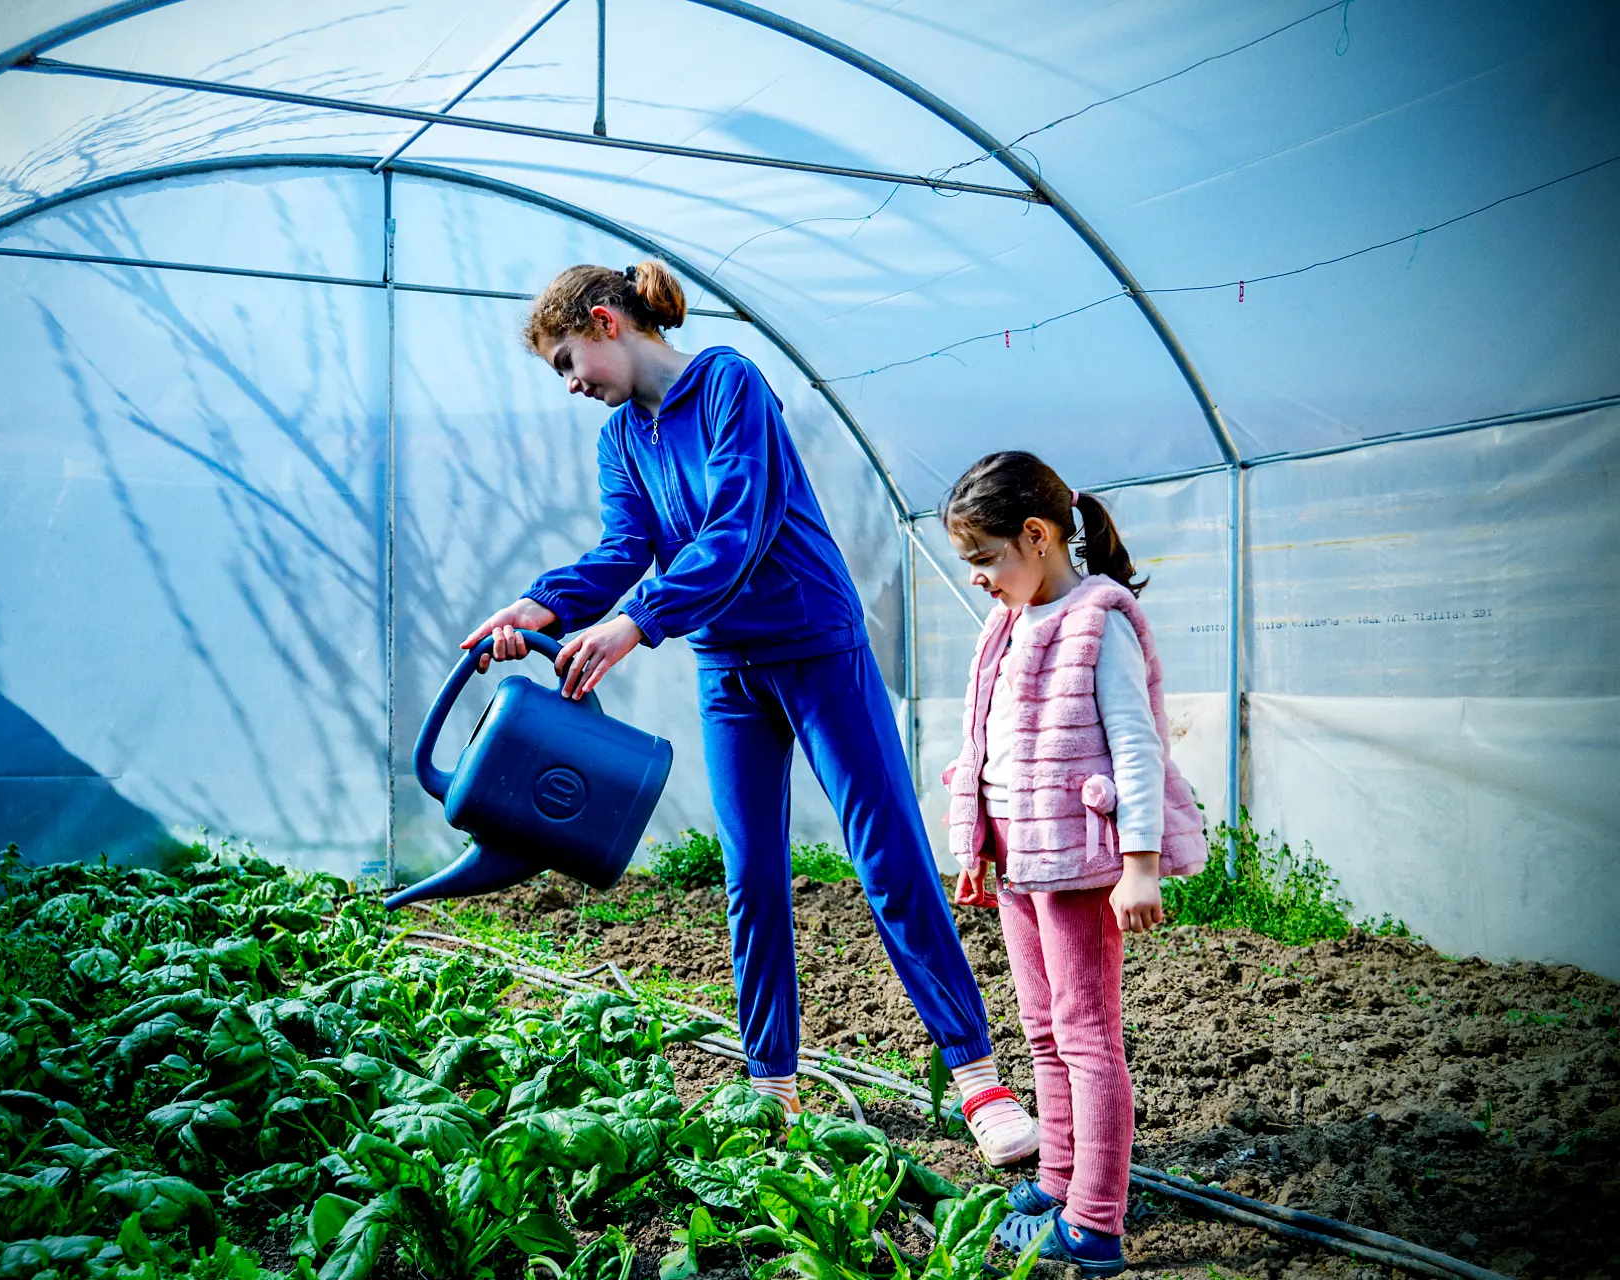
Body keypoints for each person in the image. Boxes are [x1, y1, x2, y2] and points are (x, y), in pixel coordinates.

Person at [463, 259, 1038, 1164]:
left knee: (886, 857)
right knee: (751, 875)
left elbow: (738, 525)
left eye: (569, 360)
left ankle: (979, 1079)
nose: (572, 384)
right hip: (728, 668)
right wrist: (542, 606)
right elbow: (624, 548)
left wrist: (638, 624)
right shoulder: (624, 441)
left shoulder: (729, 383)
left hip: (815, 647)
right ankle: (770, 1082)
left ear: (609, 322)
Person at [939, 450, 1209, 1276]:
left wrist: (1141, 864)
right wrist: (979, 843)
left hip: (1082, 868)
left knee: (1089, 1040)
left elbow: (1137, 746)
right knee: (1044, 1030)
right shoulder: (1007, 625)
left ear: (1037, 535)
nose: (980, 579)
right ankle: (1059, 1179)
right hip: (1023, 862)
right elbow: (984, 745)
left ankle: (1094, 1221)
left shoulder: (1101, 619)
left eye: (986, 559)